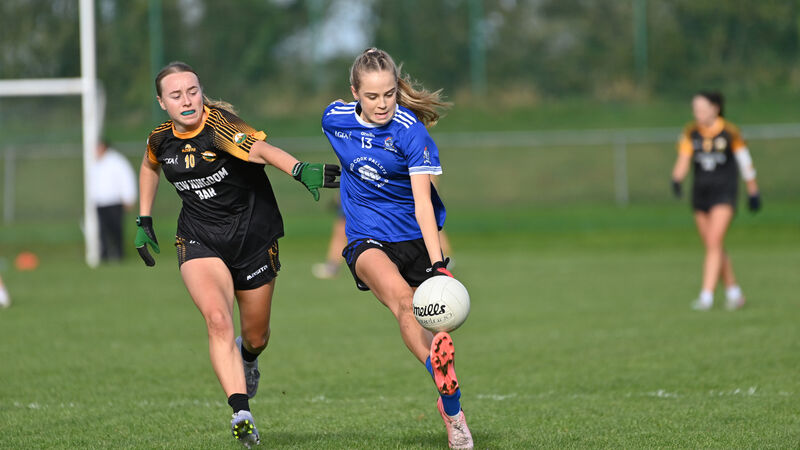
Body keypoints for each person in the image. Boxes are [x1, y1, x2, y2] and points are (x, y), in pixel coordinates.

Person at [135, 61, 339, 448]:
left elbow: (260, 150)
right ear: (162, 102)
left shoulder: (221, 127)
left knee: (256, 335)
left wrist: (298, 169)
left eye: (192, 90)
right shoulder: (160, 139)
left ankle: (248, 359)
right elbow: (150, 167)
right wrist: (144, 218)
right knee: (216, 320)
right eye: (176, 95)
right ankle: (241, 412)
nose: (187, 100)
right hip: (199, 240)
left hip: (253, 239)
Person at [321, 48, 473, 449]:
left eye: (389, 94)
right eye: (371, 96)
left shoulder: (411, 132)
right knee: (405, 304)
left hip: (415, 241)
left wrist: (438, 264)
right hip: (366, 239)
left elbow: (424, 205)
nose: (382, 103)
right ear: (354, 92)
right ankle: (442, 381)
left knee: (434, 321)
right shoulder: (334, 120)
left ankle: (451, 406)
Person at [671, 91, 761, 311]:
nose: (697, 113)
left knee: (713, 242)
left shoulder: (730, 132)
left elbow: (744, 162)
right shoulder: (691, 132)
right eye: (695, 109)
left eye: (701, 108)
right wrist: (676, 179)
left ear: (715, 108)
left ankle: (706, 296)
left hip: (724, 194)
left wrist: (753, 190)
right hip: (701, 195)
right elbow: (683, 160)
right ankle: (734, 293)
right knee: (714, 245)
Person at [90, 139, 137, 262]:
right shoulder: (95, 163)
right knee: (102, 231)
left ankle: (119, 254)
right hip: (100, 202)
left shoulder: (117, 161)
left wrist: (129, 197)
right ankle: (104, 256)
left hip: (114, 202)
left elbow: (126, 179)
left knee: (116, 230)